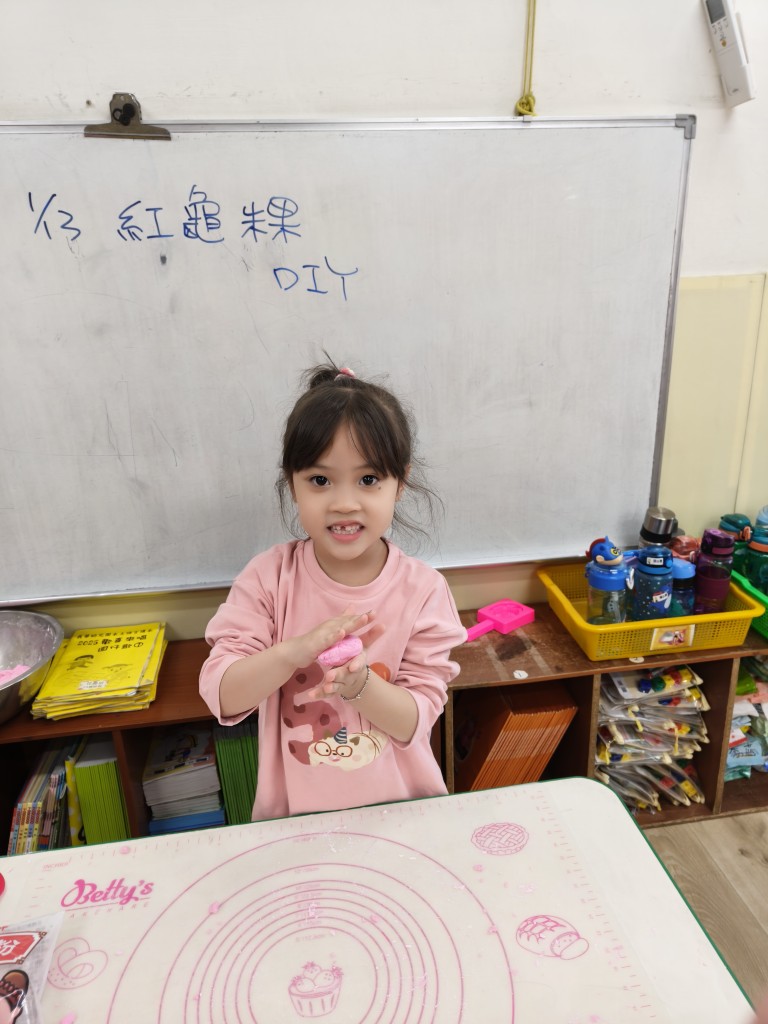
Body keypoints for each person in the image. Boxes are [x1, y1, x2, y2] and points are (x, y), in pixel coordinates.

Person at [199, 360, 467, 820]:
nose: (344, 503)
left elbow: (415, 720)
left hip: (403, 814)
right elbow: (222, 694)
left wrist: (360, 686)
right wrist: (293, 652)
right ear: (293, 484)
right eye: (320, 481)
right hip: (296, 820)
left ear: (400, 483)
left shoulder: (423, 590)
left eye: (369, 480)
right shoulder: (268, 578)